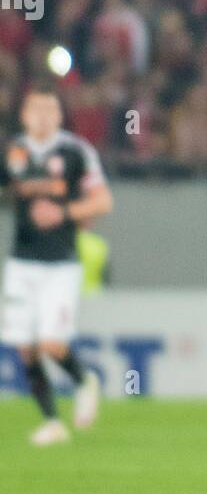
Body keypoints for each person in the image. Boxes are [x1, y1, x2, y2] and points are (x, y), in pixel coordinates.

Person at [1, 87, 113, 445]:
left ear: (60, 116)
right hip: (21, 262)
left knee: (51, 343)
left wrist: (63, 212)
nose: (44, 115)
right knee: (26, 348)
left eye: (51, 108)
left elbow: (103, 201)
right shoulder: (11, 151)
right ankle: (52, 422)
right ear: (24, 115)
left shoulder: (76, 152)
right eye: (37, 108)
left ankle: (84, 381)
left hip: (61, 264)